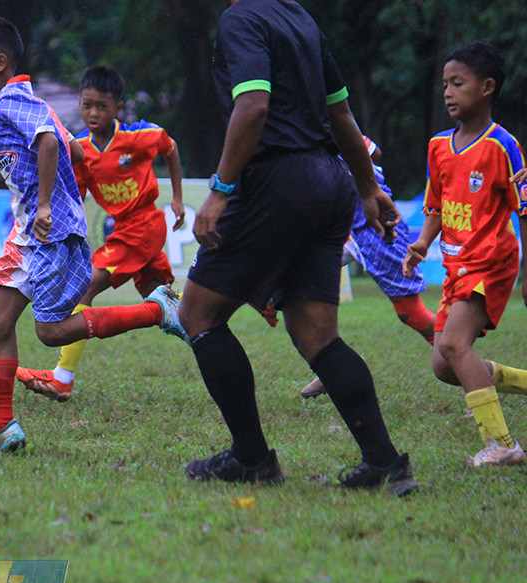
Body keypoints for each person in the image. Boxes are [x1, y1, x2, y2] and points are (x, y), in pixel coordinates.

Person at [177, 0, 417, 495]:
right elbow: (340, 113)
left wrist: (220, 190)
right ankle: (384, 462)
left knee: (198, 314)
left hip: (278, 181)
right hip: (329, 181)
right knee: (316, 334)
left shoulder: (242, 19)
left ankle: (251, 458)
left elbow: (253, 106)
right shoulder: (300, 18)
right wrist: (367, 187)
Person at [0, 16, 183, 452]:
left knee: (52, 332)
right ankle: (1, 427)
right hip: (32, 232)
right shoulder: (21, 99)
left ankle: (156, 311)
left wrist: (45, 203)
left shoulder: (9, 102)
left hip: (48, 232)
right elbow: (74, 148)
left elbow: (49, 141)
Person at [13, 65, 187, 402]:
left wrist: (177, 198)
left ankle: (62, 378)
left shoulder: (138, 135)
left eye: (102, 106)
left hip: (144, 226)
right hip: (126, 230)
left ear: (118, 108)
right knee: (177, 308)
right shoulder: (80, 148)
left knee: (83, 287)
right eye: (87, 105)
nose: (93, 113)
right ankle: (217, 344)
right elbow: (74, 196)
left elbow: (170, 147)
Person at [403, 40, 527, 467]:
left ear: (487, 87)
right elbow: (436, 204)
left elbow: (524, 210)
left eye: (458, 83)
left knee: (455, 345)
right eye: (445, 84)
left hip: (491, 262)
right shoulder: (439, 145)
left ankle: (503, 445)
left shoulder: (503, 146)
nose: (448, 93)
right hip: (457, 266)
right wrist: (423, 242)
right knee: (444, 364)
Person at [299, 136, 437, 398]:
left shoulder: (326, 120)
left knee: (410, 312)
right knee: (296, 296)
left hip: (373, 224)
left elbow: (374, 152)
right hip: (334, 226)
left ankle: (466, 361)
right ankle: (336, 366)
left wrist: (358, 177)